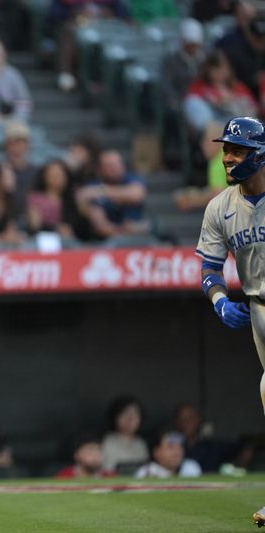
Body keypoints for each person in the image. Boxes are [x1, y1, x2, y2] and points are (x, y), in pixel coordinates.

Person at [192, 116, 265, 526]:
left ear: (260, 155)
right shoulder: (220, 207)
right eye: (226, 149)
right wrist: (219, 300)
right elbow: (210, 268)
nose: (228, 157)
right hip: (258, 309)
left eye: (238, 150)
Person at [101, 395, 149, 472]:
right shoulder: (106, 442)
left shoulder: (141, 444)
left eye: (134, 414)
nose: (130, 419)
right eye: (125, 414)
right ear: (115, 417)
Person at [134, 430, 202, 479]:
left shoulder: (191, 467)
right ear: (156, 452)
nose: (177, 451)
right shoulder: (146, 472)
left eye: (180, 447)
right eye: (171, 447)